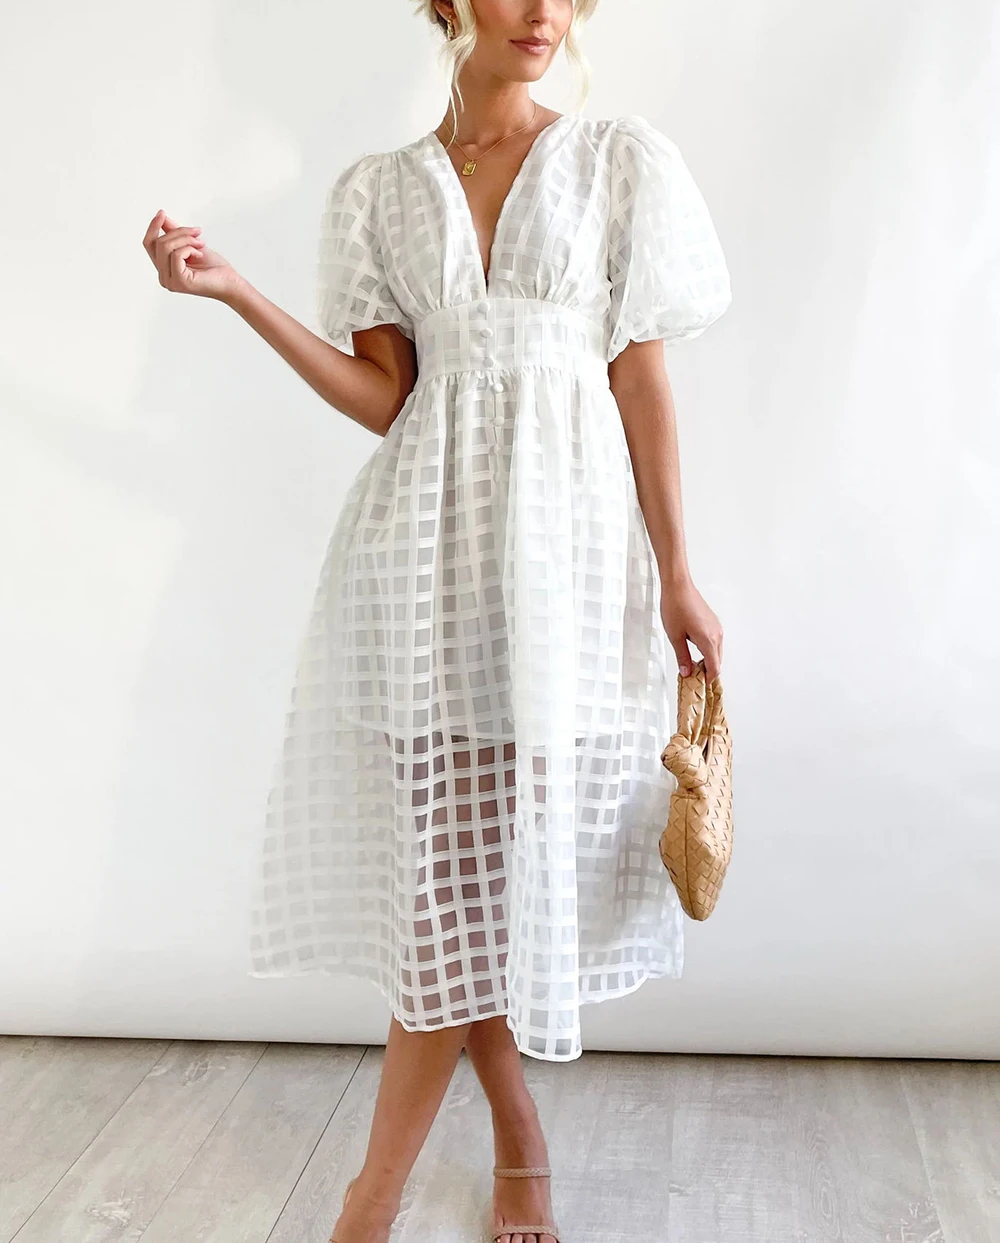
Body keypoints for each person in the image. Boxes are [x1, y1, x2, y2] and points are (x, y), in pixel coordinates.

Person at [141, 1, 731, 1239]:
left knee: (484, 884)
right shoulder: (379, 191)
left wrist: (679, 569)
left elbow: (639, 377)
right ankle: (458, 1164)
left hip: (569, 562)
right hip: (420, 562)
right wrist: (235, 291)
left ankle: (394, 1188)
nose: (543, 12)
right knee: (448, 889)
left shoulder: (616, 161)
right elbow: (384, 395)